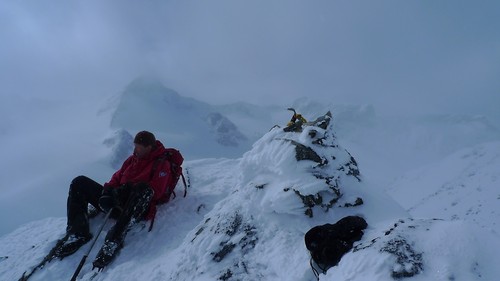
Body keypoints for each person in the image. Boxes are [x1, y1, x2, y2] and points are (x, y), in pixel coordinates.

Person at [53, 131, 173, 269]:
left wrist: (128, 189)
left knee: (143, 189)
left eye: (139, 147)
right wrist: (108, 192)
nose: (136, 150)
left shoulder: (162, 164)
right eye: (135, 146)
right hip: (117, 203)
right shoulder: (131, 159)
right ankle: (78, 233)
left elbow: (156, 192)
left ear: (150, 147)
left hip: (137, 208)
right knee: (79, 182)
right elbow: (116, 178)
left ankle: (114, 239)